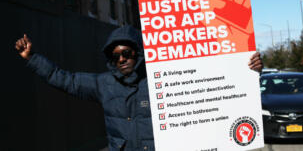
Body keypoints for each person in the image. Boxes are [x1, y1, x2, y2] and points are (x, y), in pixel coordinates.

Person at [15, 25, 263, 151]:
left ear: (138, 53)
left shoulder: (162, 78)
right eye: (115, 56)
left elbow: (212, 86)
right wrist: (32, 57)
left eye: (126, 53)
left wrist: (246, 70)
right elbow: (65, 79)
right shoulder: (103, 84)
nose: (121, 59)